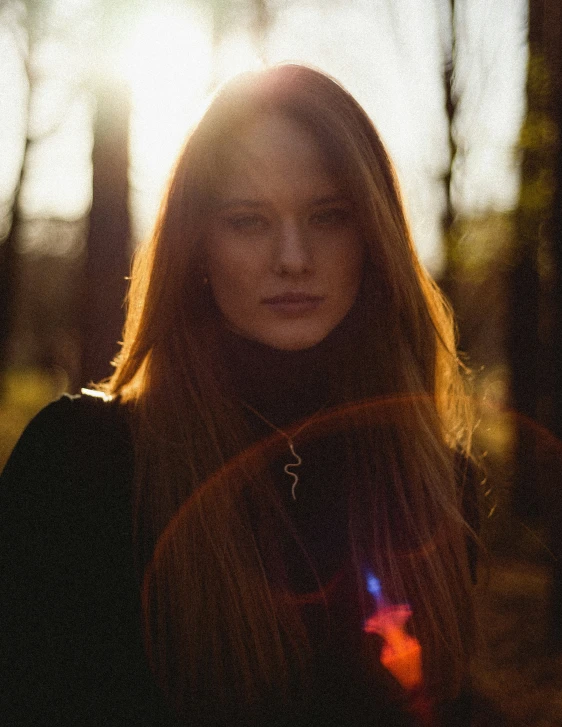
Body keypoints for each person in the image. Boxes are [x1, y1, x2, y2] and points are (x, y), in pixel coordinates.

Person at [1, 64, 480, 726]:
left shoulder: (436, 483)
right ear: (197, 244)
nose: (293, 257)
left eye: (329, 216)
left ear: (373, 234)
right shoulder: (81, 464)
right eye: (248, 220)